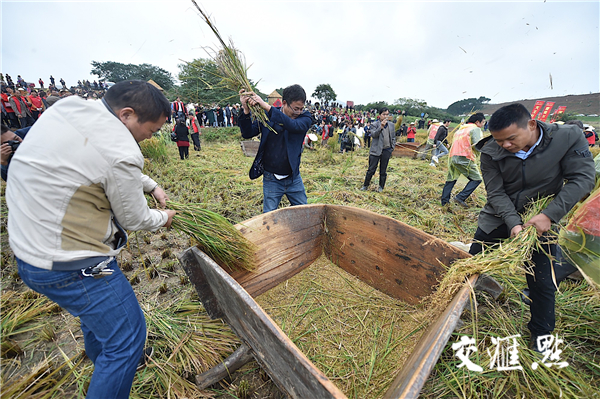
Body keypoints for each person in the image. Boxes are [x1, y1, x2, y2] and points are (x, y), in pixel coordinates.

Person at [7, 80, 175, 399]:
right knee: (127, 338)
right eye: (151, 131)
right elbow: (135, 218)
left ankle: (106, 361)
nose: (149, 138)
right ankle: (117, 360)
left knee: (98, 315)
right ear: (127, 115)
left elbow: (98, 159)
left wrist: (150, 184)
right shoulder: (122, 150)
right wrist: (164, 217)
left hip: (31, 253)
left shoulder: (69, 108)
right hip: (74, 268)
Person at [469, 103, 595, 351]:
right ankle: (456, 307)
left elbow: (583, 178)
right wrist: (513, 223)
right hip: (498, 217)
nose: (505, 145)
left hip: (542, 222)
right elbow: (495, 192)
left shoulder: (567, 137)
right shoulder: (490, 151)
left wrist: (549, 214)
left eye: (511, 139)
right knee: (469, 266)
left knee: (542, 281)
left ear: (531, 125)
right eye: (499, 140)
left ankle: (541, 335)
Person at [238, 84, 312, 213]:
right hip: (271, 178)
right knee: (269, 216)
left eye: (301, 109)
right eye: (295, 109)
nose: (298, 112)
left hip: (293, 178)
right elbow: (247, 133)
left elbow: (293, 126)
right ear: (284, 103)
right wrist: (245, 109)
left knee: (305, 212)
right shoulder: (266, 116)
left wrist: (266, 106)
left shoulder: (304, 118)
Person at [440, 113, 485, 207]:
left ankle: (445, 202)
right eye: (483, 122)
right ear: (477, 122)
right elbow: (477, 145)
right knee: (476, 179)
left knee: (451, 179)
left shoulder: (461, 129)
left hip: (453, 156)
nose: (483, 124)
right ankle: (460, 197)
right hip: (465, 157)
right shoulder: (475, 129)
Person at [360, 108, 395, 192]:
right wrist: (381, 127)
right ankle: (365, 185)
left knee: (383, 170)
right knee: (371, 169)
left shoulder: (391, 125)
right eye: (384, 114)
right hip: (375, 150)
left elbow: (393, 137)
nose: (386, 116)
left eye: (387, 114)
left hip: (387, 150)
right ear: (380, 115)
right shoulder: (374, 124)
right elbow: (374, 134)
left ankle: (381, 187)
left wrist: (392, 147)